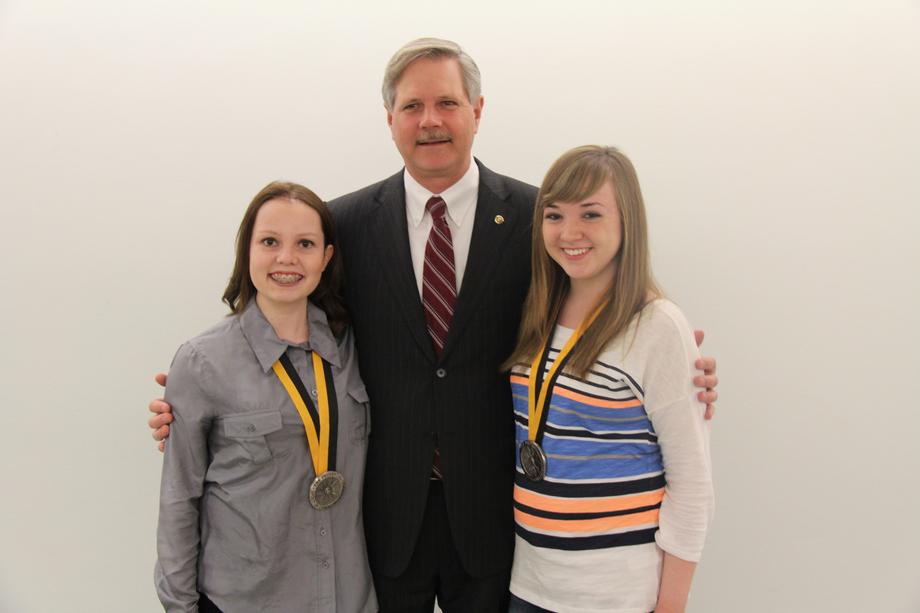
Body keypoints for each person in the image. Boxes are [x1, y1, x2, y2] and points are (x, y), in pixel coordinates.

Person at [148, 39, 719, 612]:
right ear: (390, 119)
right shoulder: (345, 224)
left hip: (501, 519)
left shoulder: (534, 217)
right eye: (412, 106)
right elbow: (295, 321)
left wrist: (671, 357)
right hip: (383, 518)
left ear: (478, 110)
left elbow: (592, 287)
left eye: (447, 103)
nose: (430, 121)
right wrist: (206, 393)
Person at [503, 146, 714, 613]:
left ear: (627, 223)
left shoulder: (657, 324)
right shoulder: (538, 314)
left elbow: (692, 484)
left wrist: (671, 606)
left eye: (591, 214)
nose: (569, 232)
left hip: (615, 596)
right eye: (554, 215)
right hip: (530, 585)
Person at [155, 182, 376, 613]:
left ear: (326, 258)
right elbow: (179, 499)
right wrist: (181, 606)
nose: (287, 258)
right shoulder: (202, 362)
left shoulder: (355, 346)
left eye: (305, 244)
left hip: (349, 597)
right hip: (247, 600)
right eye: (270, 242)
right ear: (247, 250)